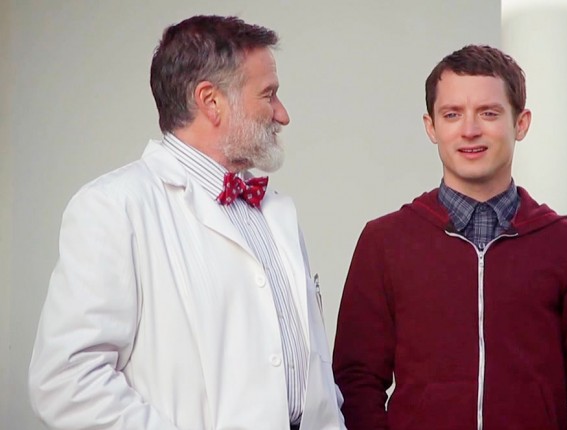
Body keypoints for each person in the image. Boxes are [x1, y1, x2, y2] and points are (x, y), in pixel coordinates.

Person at [28, 15, 345, 430]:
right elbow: (66, 381)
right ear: (211, 101)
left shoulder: (275, 209)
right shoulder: (113, 208)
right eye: (268, 94)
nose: (282, 115)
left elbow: (309, 365)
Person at [332, 44, 567, 430]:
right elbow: (355, 382)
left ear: (521, 123)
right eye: (452, 114)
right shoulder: (384, 242)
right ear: (431, 127)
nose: (469, 130)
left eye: (489, 113)